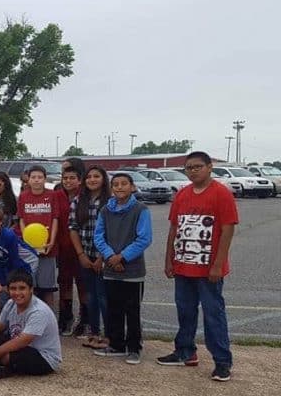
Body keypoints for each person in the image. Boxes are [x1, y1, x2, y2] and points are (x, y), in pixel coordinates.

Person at [157, 151, 238, 382]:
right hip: (183, 266)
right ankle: (185, 351)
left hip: (208, 269)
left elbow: (227, 229)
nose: (193, 171)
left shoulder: (221, 194)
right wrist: (169, 259)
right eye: (189, 168)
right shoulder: (182, 194)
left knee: (213, 314)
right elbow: (174, 229)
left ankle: (222, 361)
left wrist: (218, 264)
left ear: (210, 167)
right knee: (185, 311)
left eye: (198, 167)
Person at [93, 173, 152, 365]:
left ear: (132, 187)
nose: (119, 187)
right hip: (111, 269)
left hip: (132, 271)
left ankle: (134, 347)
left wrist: (122, 257)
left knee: (132, 310)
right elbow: (99, 236)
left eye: (124, 184)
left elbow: (144, 238)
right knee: (113, 309)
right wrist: (110, 256)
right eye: (115, 184)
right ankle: (117, 344)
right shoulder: (105, 210)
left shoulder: (140, 209)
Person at [0, 270, 62, 380]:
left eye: (22, 288)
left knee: (2, 355)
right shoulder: (10, 304)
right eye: (13, 288)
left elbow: (23, 340)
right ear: (8, 290)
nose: (17, 293)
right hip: (21, 345)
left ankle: (1, 366)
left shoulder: (38, 311)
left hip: (43, 356)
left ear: (31, 289)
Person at [69, 166, 111, 349]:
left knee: (105, 297)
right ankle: (94, 333)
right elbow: (73, 228)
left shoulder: (111, 201)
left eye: (97, 176)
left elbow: (113, 231)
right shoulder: (78, 201)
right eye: (89, 177)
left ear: (104, 179)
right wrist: (80, 255)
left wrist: (103, 257)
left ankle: (110, 335)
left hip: (106, 257)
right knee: (90, 297)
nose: (92, 180)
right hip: (85, 255)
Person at [17, 165, 59, 308]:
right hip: (29, 249)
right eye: (33, 177)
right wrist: (25, 242)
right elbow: (21, 219)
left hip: (47, 248)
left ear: (45, 179)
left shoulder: (52, 195)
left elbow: (55, 219)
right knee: (30, 286)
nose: (36, 180)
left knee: (48, 288)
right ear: (28, 179)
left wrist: (52, 241)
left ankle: (51, 321)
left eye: (40, 177)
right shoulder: (23, 196)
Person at [0, 207, 35, 309]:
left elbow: (15, 261)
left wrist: (10, 282)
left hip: (27, 260)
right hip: (7, 260)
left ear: (0, 222)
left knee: (23, 290)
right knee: (8, 288)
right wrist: (2, 281)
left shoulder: (9, 235)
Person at [55, 165, 88, 337]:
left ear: (79, 179)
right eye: (65, 178)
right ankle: (66, 317)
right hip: (62, 247)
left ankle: (85, 320)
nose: (68, 181)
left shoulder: (85, 196)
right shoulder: (57, 195)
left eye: (72, 178)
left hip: (82, 247)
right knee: (64, 283)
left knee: (83, 284)